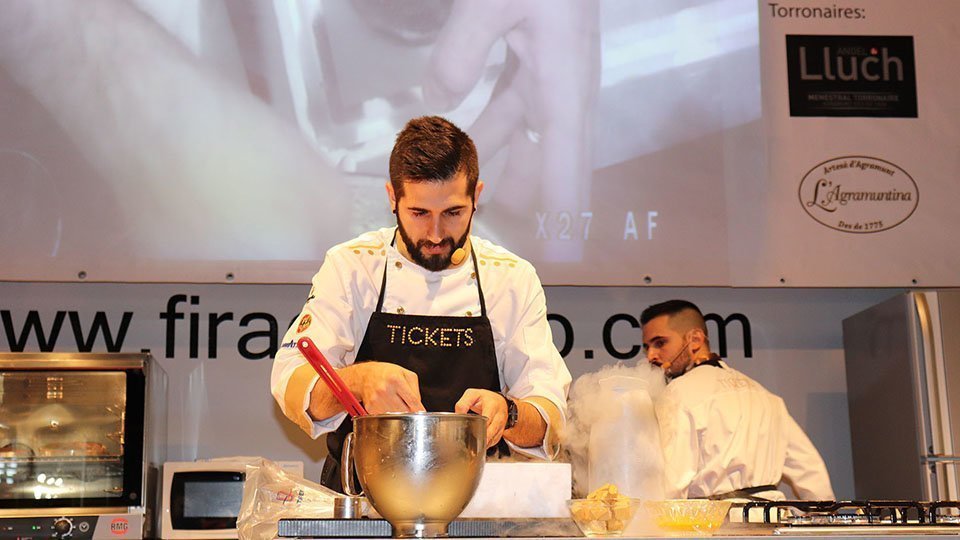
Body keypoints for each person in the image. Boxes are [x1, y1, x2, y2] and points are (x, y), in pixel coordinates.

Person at [271, 116, 572, 492]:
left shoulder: (511, 278)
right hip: (364, 502)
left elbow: (550, 417)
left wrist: (508, 412)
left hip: (474, 505)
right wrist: (358, 380)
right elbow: (292, 384)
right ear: (392, 198)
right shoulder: (352, 266)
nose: (435, 235)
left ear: (476, 197)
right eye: (419, 213)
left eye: (452, 213)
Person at [640, 299, 835, 501]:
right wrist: (823, 526)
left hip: (713, 527)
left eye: (660, 343)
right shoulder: (766, 397)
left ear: (695, 339)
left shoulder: (677, 392)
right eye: (646, 347)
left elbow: (673, 483)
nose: (651, 355)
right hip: (772, 523)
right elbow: (811, 473)